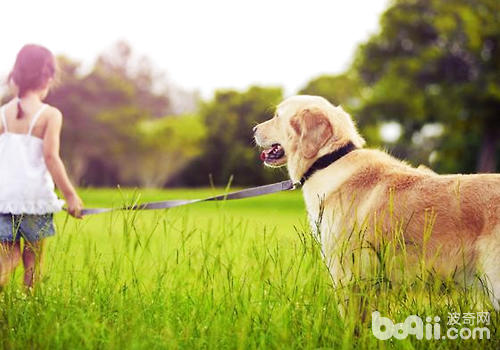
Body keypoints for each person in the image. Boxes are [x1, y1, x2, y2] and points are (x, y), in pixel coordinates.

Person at [0, 44, 83, 289]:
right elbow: (51, 158)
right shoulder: (50, 115)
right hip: (35, 200)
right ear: (47, 78)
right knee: (34, 258)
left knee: (8, 257)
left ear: (16, 76)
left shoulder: (2, 113)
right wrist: (71, 196)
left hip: (4, 199)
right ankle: (30, 305)